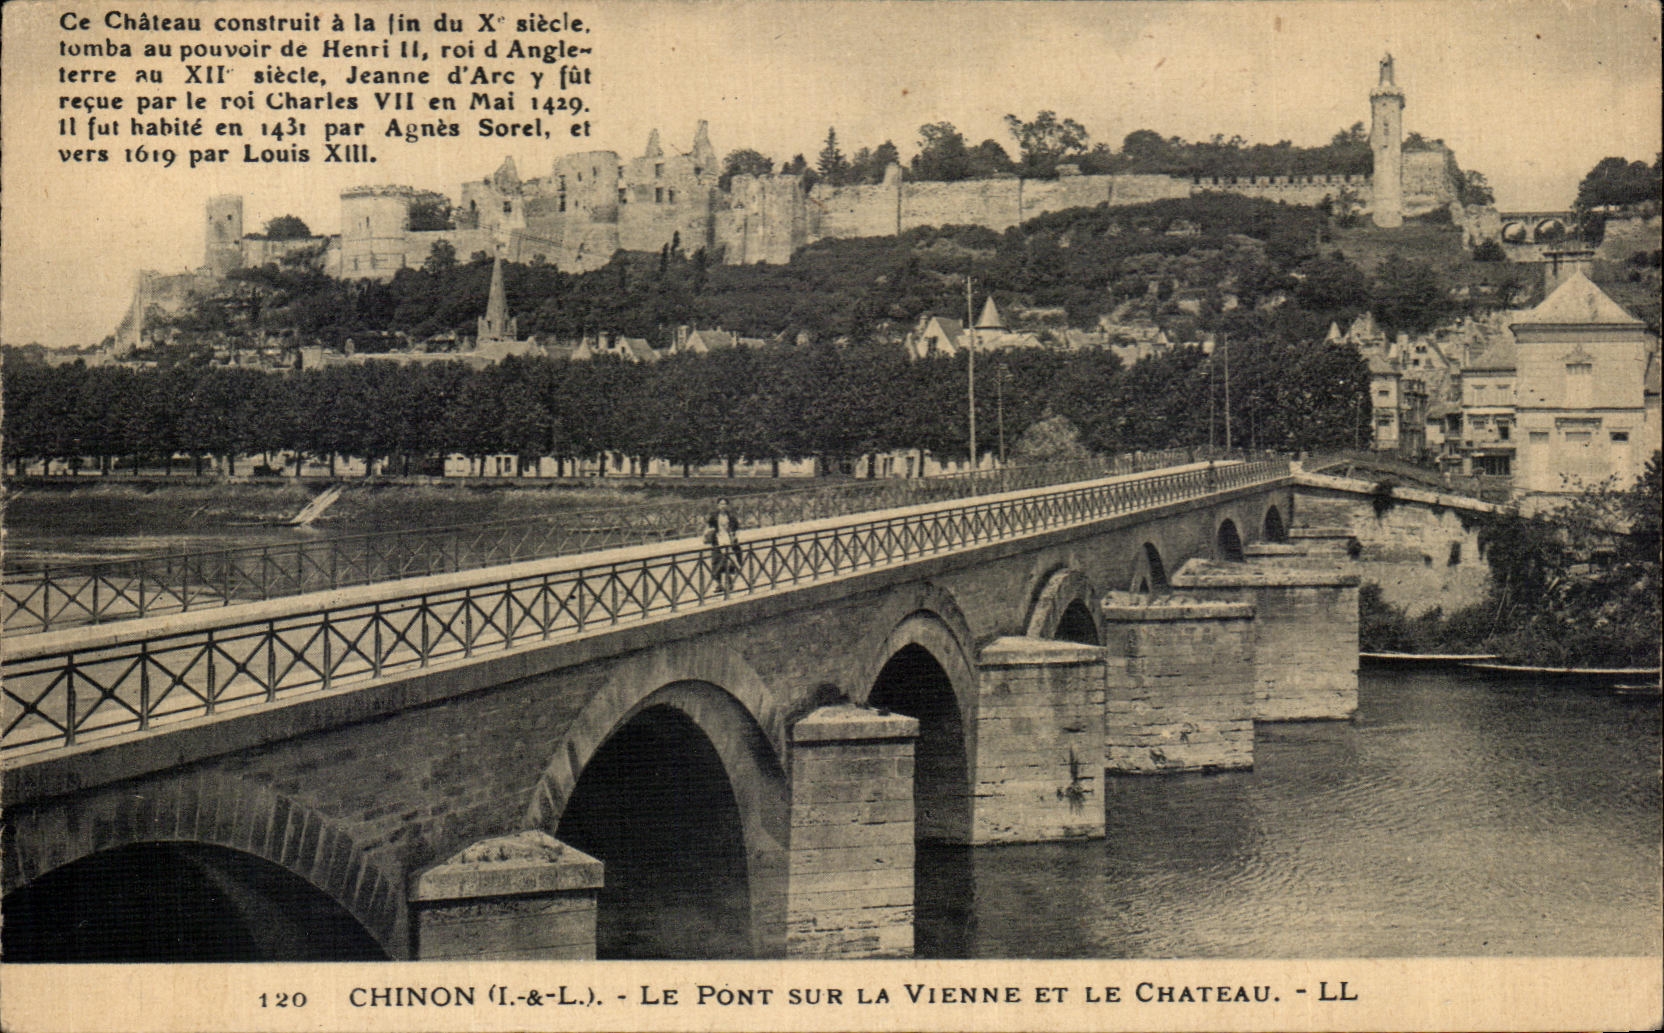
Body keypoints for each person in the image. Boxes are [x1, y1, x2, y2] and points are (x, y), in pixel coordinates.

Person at [705, 497, 743, 592]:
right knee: (716, 562)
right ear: (718, 505)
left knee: (728, 562)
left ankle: (729, 583)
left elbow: (737, 528)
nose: (723, 506)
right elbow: (708, 527)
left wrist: (734, 536)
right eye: (721, 504)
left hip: (728, 541)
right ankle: (719, 584)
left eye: (724, 504)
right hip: (717, 541)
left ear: (727, 505)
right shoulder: (714, 516)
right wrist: (709, 532)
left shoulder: (730, 516)